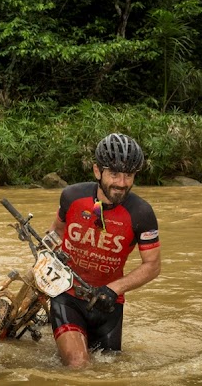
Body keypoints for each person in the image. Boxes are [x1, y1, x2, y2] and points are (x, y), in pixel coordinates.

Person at [45, 133, 161, 368]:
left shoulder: (142, 214)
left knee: (108, 371)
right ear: (98, 171)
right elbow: (56, 232)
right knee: (78, 364)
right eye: (114, 174)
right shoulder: (72, 196)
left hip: (108, 303)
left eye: (128, 175)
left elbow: (152, 265)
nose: (121, 183)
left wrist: (113, 289)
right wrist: (45, 255)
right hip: (68, 294)